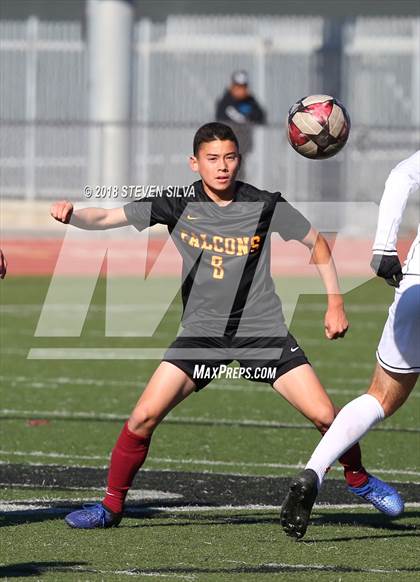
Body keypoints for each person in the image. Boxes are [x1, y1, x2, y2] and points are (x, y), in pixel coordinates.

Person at [50, 122, 401, 529]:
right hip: (202, 336)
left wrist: (335, 302)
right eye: (212, 159)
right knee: (143, 416)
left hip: (261, 332)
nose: (223, 167)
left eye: (230, 157)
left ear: (239, 160)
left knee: (326, 416)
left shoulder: (264, 203)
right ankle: (110, 507)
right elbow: (107, 215)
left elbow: (316, 243)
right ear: (194, 163)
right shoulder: (176, 203)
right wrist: (74, 215)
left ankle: (358, 478)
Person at [281, 150, 419, 540]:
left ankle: (315, 470)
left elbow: (400, 177)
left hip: (415, 286)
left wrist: (385, 248)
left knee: (380, 397)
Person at [215, 71, 266, 177]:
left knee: (239, 173)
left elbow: (261, 117)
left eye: (243, 87)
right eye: (238, 86)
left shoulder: (250, 101)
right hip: (225, 148)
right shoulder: (225, 101)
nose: (240, 90)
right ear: (232, 86)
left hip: (243, 148)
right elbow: (220, 119)